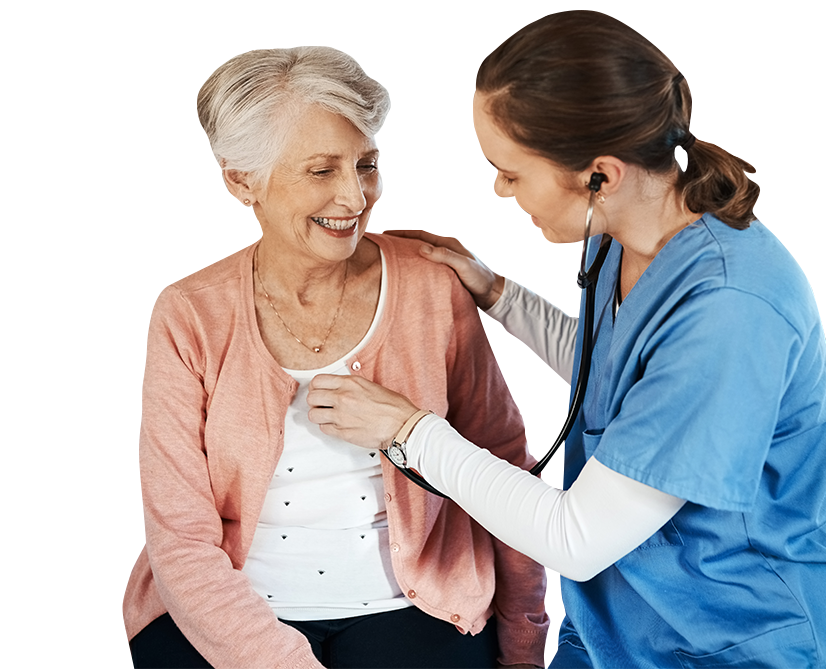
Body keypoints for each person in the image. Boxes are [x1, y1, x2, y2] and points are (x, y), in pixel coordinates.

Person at [307, 11, 826, 669]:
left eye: (511, 171)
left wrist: (409, 429)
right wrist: (499, 294)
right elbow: (615, 371)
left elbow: (574, 536)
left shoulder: (729, 309)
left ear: (600, 175)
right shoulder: (634, 239)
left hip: (749, 635)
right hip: (636, 620)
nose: (500, 190)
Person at [120, 40, 552, 669]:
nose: (356, 198)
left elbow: (504, 461)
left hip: (412, 608)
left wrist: (525, 637)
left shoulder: (432, 285)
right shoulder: (189, 313)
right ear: (243, 180)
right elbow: (180, 540)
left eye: (367, 164)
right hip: (231, 609)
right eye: (322, 170)